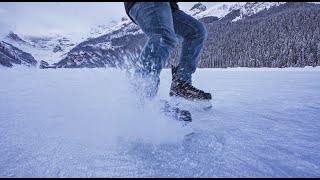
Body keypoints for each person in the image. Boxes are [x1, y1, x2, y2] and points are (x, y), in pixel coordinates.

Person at [124, 2, 212, 122]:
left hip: (168, 6)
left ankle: (180, 84)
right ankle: (142, 101)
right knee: (163, 37)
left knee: (196, 32)